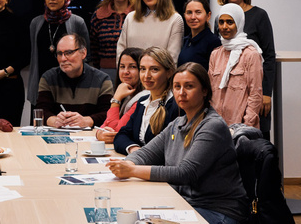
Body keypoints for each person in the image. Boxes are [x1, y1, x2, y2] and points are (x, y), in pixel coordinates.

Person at [107, 63, 248, 224]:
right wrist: (124, 165)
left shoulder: (212, 126)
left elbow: (185, 173)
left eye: (189, 86)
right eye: (177, 86)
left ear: (204, 91)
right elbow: (146, 153)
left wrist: (132, 170)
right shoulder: (177, 124)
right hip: (186, 204)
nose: (181, 93)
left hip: (217, 211)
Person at [217, 0, 275, 137]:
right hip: (228, 96)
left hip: (253, 91)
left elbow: (270, 56)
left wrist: (266, 93)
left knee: (255, 137)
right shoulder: (221, 17)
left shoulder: (259, 15)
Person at [27, 0, 90, 108]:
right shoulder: (36, 23)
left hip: (69, 85)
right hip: (41, 85)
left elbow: (86, 57)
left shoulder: (78, 22)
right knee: (40, 125)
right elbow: (33, 55)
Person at [36, 34, 113, 128]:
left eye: (69, 52)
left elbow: (108, 114)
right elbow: (41, 111)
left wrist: (86, 121)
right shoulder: (48, 78)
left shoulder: (102, 80)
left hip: (91, 137)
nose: (63, 58)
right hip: (57, 136)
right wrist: (55, 120)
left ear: (83, 53)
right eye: (60, 54)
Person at [113, 47, 180, 155]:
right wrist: (133, 149)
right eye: (143, 69)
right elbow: (121, 135)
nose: (146, 75)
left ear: (169, 73)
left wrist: (141, 156)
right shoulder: (142, 102)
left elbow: (169, 150)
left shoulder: (175, 106)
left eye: (154, 69)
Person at [209, 3, 263, 128]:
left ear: (238, 24)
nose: (224, 27)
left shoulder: (250, 54)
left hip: (241, 127)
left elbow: (255, 94)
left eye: (229, 22)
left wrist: (245, 126)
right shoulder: (215, 54)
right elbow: (211, 93)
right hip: (217, 126)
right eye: (221, 22)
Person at [116, 0, 183, 63]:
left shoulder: (175, 19)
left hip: (159, 76)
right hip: (132, 75)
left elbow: (172, 59)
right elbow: (121, 52)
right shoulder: (130, 17)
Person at [90, 0, 137, 78]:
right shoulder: (99, 15)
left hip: (135, 72)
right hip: (105, 74)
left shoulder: (139, 15)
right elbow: (94, 50)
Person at [96, 47, 146, 144]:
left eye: (132, 67)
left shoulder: (143, 99)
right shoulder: (126, 94)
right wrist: (99, 134)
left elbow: (115, 131)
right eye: (122, 66)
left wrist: (116, 100)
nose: (125, 72)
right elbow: (105, 126)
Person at [179, 0, 221, 70]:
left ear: (208, 16)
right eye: (189, 12)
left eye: (198, 12)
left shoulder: (214, 42)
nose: (193, 17)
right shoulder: (185, 41)